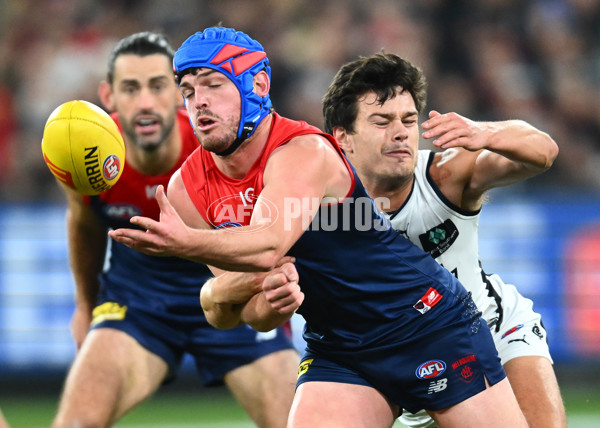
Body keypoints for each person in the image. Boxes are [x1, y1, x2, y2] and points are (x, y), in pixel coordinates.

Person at [109, 27, 528, 428]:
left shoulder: (302, 150)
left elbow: (269, 246)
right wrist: (265, 300)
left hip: (427, 324)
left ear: (257, 85)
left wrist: (187, 245)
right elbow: (249, 316)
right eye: (188, 90)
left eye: (212, 84)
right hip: (339, 347)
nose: (198, 101)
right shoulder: (186, 187)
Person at [51, 32, 299, 428]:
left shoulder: (220, 141)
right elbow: (84, 224)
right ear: (109, 97)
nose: (146, 102)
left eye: (158, 86)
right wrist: (85, 306)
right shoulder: (86, 151)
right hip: (140, 301)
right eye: (130, 89)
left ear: (178, 93)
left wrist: (259, 295)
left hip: (231, 287)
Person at [321, 52, 566, 428]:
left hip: (491, 332)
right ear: (343, 137)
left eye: (408, 120)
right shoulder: (322, 205)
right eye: (382, 121)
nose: (400, 132)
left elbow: (545, 153)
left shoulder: (445, 175)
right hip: (387, 354)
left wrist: (487, 134)